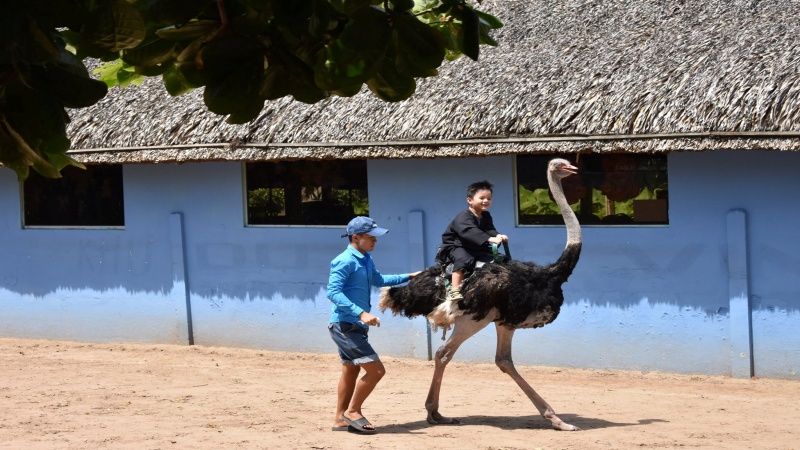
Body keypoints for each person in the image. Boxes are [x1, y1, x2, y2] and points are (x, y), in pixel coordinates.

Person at [327, 216, 420, 434]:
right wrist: (361, 312)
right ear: (356, 237)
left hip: (354, 326)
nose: (375, 242)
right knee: (376, 370)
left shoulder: (365, 258)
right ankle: (353, 411)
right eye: (371, 238)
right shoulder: (345, 260)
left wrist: (409, 276)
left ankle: (340, 419)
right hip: (345, 325)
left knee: (350, 371)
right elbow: (332, 292)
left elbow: (378, 280)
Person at [436, 180, 509, 302]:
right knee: (463, 260)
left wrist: (498, 235)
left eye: (489, 198)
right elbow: (469, 231)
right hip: (458, 246)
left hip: (477, 247)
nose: (486, 201)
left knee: (500, 260)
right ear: (469, 200)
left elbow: (489, 229)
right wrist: (490, 239)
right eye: (482, 198)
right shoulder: (464, 216)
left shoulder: (486, 215)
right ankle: (454, 290)